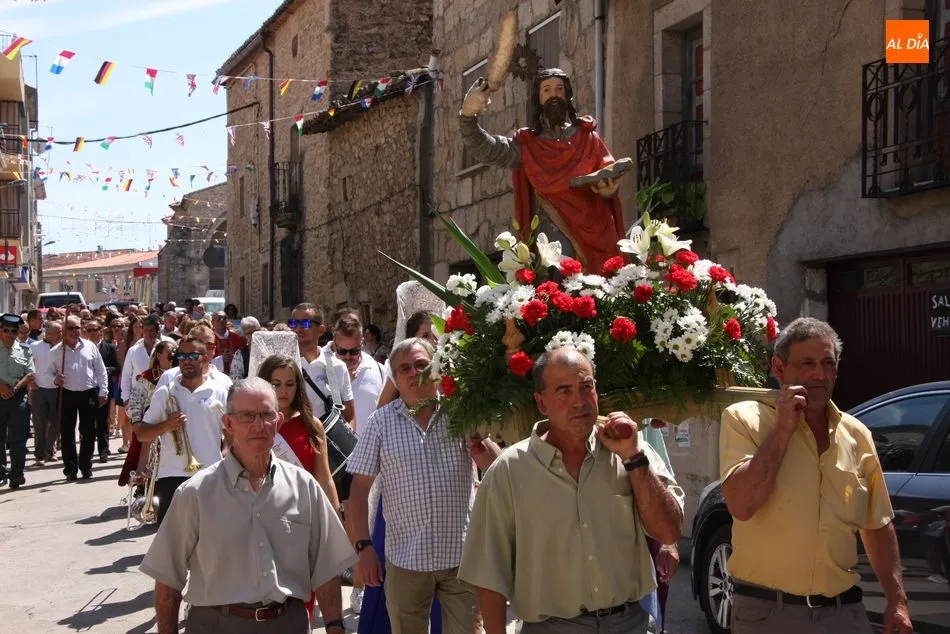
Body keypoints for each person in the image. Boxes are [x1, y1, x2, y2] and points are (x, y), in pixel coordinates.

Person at [459, 347, 684, 634]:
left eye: (586, 387)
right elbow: (489, 574)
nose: (579, 401)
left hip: (630, 624)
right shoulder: (509, 471)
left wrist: (634, 459)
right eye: (564, 391)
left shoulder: (631, 452)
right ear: (541, 402)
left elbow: (669, 533)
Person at [719, 318, 913, 634]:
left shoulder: (857, 434)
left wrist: (898, 599)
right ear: (779, 369)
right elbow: (742, 505)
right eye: (807, 363)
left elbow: (877, 524)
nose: (819, 375)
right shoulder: (745, 419)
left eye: (827, 364)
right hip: (768, 615)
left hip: (844, 614)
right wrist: (783, 429)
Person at [139, 378, 355, 634]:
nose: (258, 425)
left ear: (278, 422)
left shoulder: (304, 487)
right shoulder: (195, 493)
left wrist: (334, 625)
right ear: (228, 424)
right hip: (215, 625)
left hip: (289, 623)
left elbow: (326, 565)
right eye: (246, 416)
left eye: (266, 415)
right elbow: (167, 579)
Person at [348, 337, 499, 634]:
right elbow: (358, 490)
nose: (415, 373)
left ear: (437, 369)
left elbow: (496, 470)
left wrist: (482, 451)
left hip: (460, 560)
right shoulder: (381, 423)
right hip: (406, 561)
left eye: (422, 365)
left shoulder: (460, 414)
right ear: (396, 379)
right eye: (405, 368)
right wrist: (364, 548)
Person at [460, 68, 627, 273]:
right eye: (547, 90)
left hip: (597, 230)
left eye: (559, 89)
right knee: (558, 286)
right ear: (538, 99)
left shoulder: (587, 137)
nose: (554, 95)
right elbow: (488, 150)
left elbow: (607, 172)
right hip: (552, 230)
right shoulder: (529, 146)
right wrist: (468, 116)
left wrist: (610, 190)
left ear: (567, 95)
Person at [258, 354, 343, 623]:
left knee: (301, 601)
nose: (283, 391)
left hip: (301, 524)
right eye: (275, 383)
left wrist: (335, 518)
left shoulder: (311, 425)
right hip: (261, 523)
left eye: (290, 384)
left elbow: (324, 477)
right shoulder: (252, 423)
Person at [134, 335, 231, 525]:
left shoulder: (220, 390)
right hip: (171, 475)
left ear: (205, 358)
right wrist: (166, 426)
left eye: (192, 356)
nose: (186, 361)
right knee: (173, 541)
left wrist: (228, 451)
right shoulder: (165, 392)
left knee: (210, 536)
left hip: (211, 472)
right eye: (181, 356)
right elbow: (142, 433)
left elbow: (232, 431)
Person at [47, 316, 109, 481]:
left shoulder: (90, 347)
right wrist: (54, 379)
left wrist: (103, 391)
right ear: (63, 331)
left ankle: (86, 466)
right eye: (70, 328)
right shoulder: (56, 352)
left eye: (77, 328)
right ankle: (70, 468)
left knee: (88, 431)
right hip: (66, 393)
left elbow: (100, 370)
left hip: (88, 393)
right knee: (67, 432)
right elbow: (47, 373)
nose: (74, 332)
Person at [119, 340, 177, 490]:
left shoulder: (181, 375)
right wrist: (137, 423)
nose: (174, 354)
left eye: (176, 351)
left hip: (174, 425)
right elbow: (134, 403)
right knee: (147, 457)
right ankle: (144, 487)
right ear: (159, 355)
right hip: (150, 426)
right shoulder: (147, 377)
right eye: (170, 352)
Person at [290, 303, 355, 424]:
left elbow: (348, 413)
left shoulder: (337, 367)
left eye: (305, 323)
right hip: (291, 439)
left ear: (321, 330)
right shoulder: (284, 365)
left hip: (324, 439)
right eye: (293, 323)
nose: (298, 329)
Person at [0, 314, 35, 489]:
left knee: (17, 439)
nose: (10, 334)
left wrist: (15, 388)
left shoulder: (25, 349)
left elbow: (30, 373)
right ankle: (0, 473)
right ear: (1, 330)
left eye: (14, 331)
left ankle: (16, 474)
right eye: (6, 330)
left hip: (17, 397)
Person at [84, 318, 120, 463]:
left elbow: (117, 367)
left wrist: (106, 370)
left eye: (95, 330)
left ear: (101, 331)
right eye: (89, 330)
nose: (92, 333)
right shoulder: (83, 348)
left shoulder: (109, 348)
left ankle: (103, 451)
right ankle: (88, 451)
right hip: (86, 389)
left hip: (103, 389)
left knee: (102, 422)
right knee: (88, 423)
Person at [29, 320, 62, 464]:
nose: (61, 334)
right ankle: (40, 455)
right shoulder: (35, 347)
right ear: (49, 334)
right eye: (58, 332)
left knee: (55, 422)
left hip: (57, 390)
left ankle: (50, 450)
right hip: (39, 389)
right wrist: (31, 383)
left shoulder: (63, 348)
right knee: (40, 423)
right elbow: (29, 366)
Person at [211, 310, 245, 375]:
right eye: (218, 318)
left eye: (224, 318)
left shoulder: (236, 338)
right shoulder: (209, 340)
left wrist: (235, 358)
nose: (221, 320)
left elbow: (243, 357)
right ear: (212, 322)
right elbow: (206, 358)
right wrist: (221, 359)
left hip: (235, 374)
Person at [229, 316, 260, 381]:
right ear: (245, 335)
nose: (253, 335)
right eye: (249, 333)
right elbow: (236, 379)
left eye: (255, 331)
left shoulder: (269, 348)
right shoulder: (240, 354)